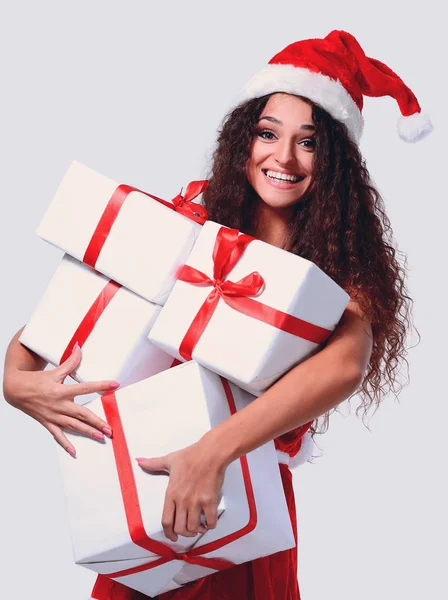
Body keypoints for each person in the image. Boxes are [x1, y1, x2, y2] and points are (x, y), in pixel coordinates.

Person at [3, 30, 431, 600]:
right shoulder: (194, 215)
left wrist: (212, 453)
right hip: (143, 491)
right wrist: (16, 379)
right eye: (268, 134)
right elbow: (77, 303)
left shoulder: (342, 262)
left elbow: (346, 365)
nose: (283, 157)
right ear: (243, 137)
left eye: (309, 143)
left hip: (241, 508)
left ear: (335, 160)